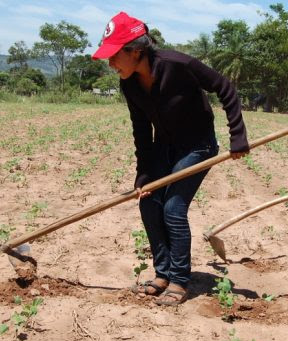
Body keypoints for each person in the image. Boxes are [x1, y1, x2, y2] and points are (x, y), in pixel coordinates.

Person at [92, 12, 249, 305]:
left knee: (174, 208)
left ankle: (179, 279)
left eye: (114, 56)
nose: (110, 63)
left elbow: (225, 87)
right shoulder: (129, 84)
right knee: (150, 201)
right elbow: (141, 130)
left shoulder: (179, 65)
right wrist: (144, 174)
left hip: (197, 147)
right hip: (164, 148)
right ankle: (162, 274)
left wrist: (237, 135)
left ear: (135, 51)